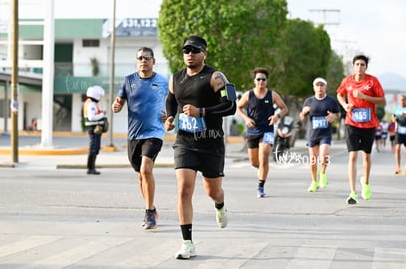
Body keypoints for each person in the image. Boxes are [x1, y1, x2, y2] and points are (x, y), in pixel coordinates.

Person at [164, 35, 236, 259]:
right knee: (184, 189)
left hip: (211, 142)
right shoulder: (176, 78)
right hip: (185, 142)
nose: (189, 54)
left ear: (204, 53)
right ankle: (187, 243)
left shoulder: (215, 76)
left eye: (194, 50)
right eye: (186, 50)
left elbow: (230, 106)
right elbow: (171, 99)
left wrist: (202, 111)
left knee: (212, 191)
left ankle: (220, 204)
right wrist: (169, 117)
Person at [111, 47, 168, 230]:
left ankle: (149, 212)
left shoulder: (163, 81)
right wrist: (116, 106)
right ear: (136, 61)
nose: (144, 60)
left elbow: (173, 101)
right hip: (134, 134)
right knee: (140, 176)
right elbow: (119, 101)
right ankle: (151, 207)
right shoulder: (129, 81)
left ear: (153, 61)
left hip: (154, 133)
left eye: (147, 57)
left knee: (146, 168)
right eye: (140, 58)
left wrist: (169, 115)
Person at [336, 54, 386, 205]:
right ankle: (352, 192)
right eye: (357, 64)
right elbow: (339, 93)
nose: (359, 67)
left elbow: (383, 101)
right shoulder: (347, 81)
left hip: (368, 124)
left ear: (366, 67)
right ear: (353, 66)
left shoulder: (373, 81)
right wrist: (345, 106)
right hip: (351, 123)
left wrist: (365, 96)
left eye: (362, 65)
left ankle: (366, 183)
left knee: (366, 156)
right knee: (352, 156)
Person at [237, 67, 288, 197]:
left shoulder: (272, 95)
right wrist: (246, 119)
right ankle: (262, 170)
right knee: (254, 162)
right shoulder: (249, 95)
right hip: (252, 130)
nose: (261, 81)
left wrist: (277, 116)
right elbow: (238, 108)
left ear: (267, 81)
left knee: (264, 154)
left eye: (263, 79)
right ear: (254, 81)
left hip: (267, 130)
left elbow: (284, 108)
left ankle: (260, 186)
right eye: (258, 79)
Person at [299, 77, 340, 192]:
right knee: (313, 160)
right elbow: (301, 117)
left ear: (325, 87)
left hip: (325, 134)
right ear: (314, 88)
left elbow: (338, 114)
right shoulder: (309, 101)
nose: (320, 87)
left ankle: (322, 173)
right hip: (313, 134)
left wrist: (334, 116)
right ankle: (314, 181)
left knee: (324, 156)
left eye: (322, 85)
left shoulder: (331, 101)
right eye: (317, 85)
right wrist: (304, 112)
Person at [83, 85, 106, 175]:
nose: (99, 98)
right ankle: (90, 168)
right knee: (94, 147)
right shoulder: (91, 104)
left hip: (94, 128)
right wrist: (102, 114)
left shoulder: (89, 102)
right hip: (93, 129)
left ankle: (92, 167)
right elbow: (92, 117)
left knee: (95, 147)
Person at [392, 94, 406, 176]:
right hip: (398, 131)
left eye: (403, 100)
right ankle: (398, 167)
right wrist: (394, 119)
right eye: (400, 100)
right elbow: (393, 118)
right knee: (397, 148)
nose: (402, 101)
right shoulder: (396, 109)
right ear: (399, 101)